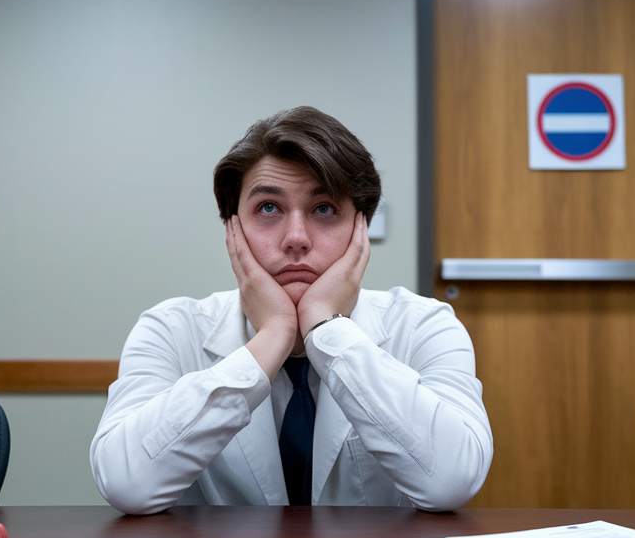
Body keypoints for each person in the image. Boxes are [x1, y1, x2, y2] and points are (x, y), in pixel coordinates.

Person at [91, 106, 492, 514]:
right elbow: (127, 485)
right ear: (233, 228)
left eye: (324, 208)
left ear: (361, 227)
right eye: (268, 208)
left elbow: (452, 481)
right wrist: (272, 337)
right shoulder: (170, 330)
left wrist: (327, 329)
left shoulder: (424, 325)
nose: (296, 239)